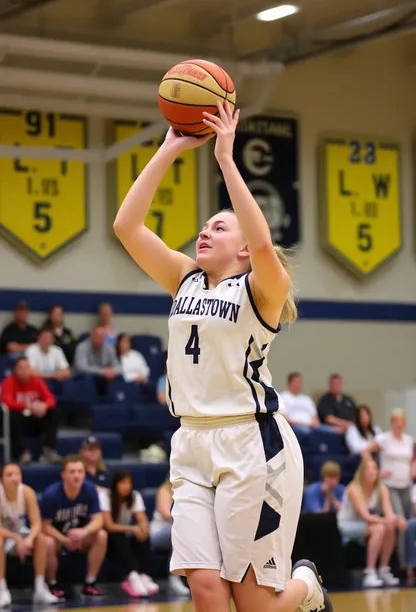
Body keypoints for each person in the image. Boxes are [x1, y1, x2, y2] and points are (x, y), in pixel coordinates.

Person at [114, 101, 332, 612]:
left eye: (219, 227)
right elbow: (127, 226)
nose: (205, 231)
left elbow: (262, 241)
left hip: (253, 445)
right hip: (191, 440)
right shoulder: (184, 278)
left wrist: (227, 161)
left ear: (242, 251)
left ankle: (306, 585)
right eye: (205, 226)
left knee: (252, 604)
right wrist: (169, 148)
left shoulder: (263, 288)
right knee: (207, 591)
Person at [40, 455, 107, 599]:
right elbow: (44, 526)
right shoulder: (51, 495)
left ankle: (90, 583)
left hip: (79, 537)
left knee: (101, 535)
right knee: (48, 542)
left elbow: (99, 520)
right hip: (58, 538)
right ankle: (52, 584)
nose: (76, 475)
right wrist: (64, 540)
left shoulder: (90, 490)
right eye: (72, 472)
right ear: (63, 475)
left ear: (84, 474)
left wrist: (84, 532)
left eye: (80, 471)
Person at [337, 458, 407, 588]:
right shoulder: (354, 488)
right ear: (362, 472)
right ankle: (370, 572)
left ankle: (384, 569)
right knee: (380, 528)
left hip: (368, 524)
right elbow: (366, 516)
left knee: (390, 527)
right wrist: (391, 520)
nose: (371, 471)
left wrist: (397, 519)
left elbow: (389, 513)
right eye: (368, 469)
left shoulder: (381, 488)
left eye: (374, 468)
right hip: (347, 524)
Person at [363, 408, 415, 569]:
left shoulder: (408, 439)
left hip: (406, 485)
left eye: (401, 421)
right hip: (390, 487)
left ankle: (410, 562)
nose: (398, 424)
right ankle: (401, 564)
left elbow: (412, 458)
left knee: (409, 525)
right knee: (399, 522)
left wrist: (413, 468)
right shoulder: (384, 439)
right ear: (392, 422)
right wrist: (375, 469)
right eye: (395, 421)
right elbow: (365, 451)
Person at [0, 462, 59, 605]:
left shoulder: (27, 492)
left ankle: (40, 588)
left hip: (20, 534)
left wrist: (29, 539)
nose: (15, 478)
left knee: (41, 538)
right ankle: (2, 590)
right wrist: (17, 538)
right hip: (6, 536)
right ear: (1, 479)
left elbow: (37, 523)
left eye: (18, 474)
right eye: (9, 475)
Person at [99, 469, 159, 597]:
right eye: (123, 483)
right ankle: (132, 576)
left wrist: (142, 528)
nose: (127, 486)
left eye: (129, 482)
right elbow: (108, 526)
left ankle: (144, 575)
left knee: (143, 534)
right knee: (119, 536)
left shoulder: (135, 496)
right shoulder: (105, 496)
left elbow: (143, 520)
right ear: (115, 484)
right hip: (107, 541)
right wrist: (131, 528)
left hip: (123, 536)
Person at [1, 357, 61, 464]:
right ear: (15, 370)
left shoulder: (37, 381)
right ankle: (24, 452)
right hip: (17, 422)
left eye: (26, 367)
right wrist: (28, 406)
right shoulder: (8, 382)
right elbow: (7, 402)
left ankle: (48, 449)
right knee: (12, 415)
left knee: (53, 411)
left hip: (34, 420)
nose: (24, 371)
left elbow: (51, 399)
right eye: (21, 368)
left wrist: (43, 405)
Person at [150, 477, 190, 596]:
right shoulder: (165, 490)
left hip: (181, 530)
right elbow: (168, 515)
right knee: (179, 528)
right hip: (158, 533)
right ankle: (174, 577)